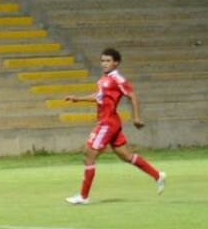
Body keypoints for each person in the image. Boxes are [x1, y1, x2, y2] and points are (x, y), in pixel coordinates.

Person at [61, 48, 164, 205]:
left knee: (89, 153)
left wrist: (136, 117)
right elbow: (99, 96)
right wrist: (78, 98)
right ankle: (157, 175)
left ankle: (83, 196)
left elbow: (133, 96)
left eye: (108, 61)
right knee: (126, 156)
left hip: (107, 123)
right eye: (102, 60)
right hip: (110, 122)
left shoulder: (118, 79)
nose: (104, 63)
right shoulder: (104, 78)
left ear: (116, 63)